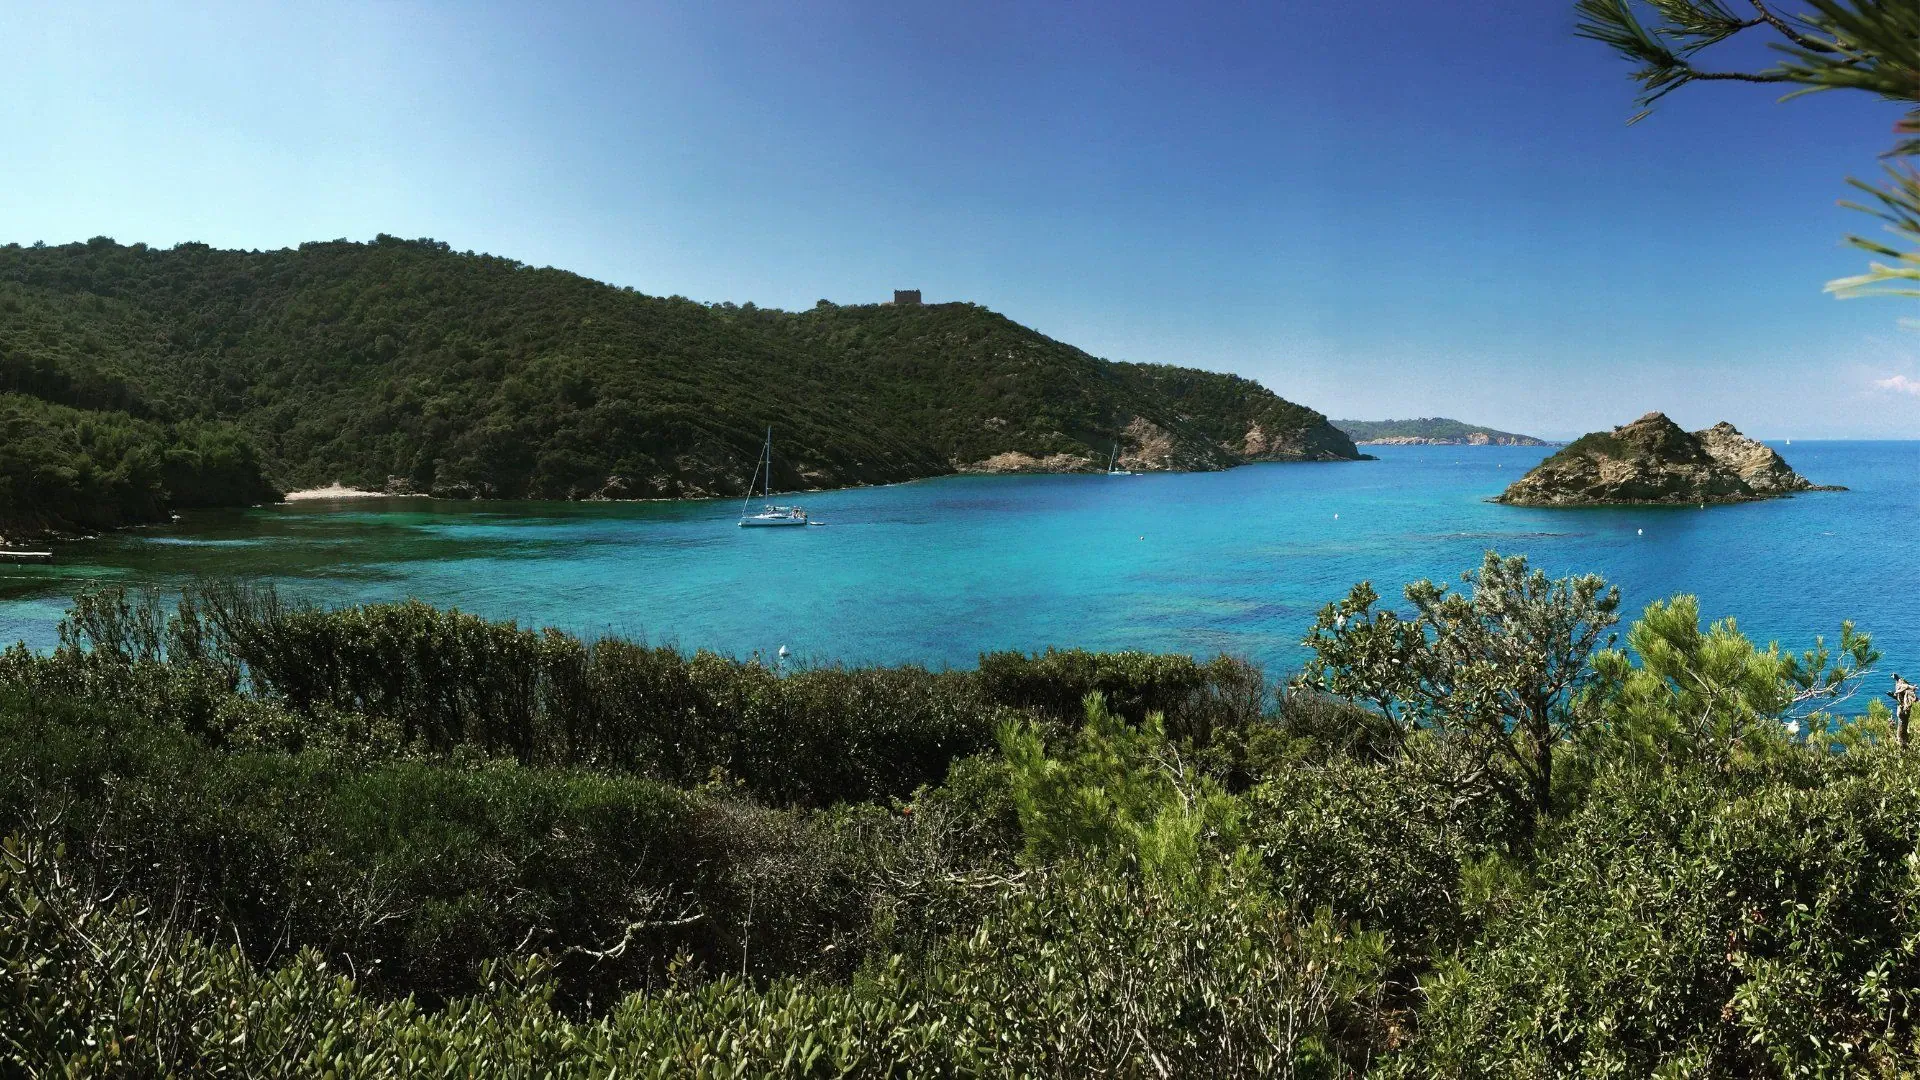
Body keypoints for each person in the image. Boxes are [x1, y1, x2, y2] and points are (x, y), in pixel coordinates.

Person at [1891, 674, 1918, 748]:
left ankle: (1902, 743)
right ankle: (1902, 742)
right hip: (1903, 707)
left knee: (1902, 718)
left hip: (1904, 708)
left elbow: (1906, 688)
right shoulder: (1899, 684)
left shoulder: (1902, 685)